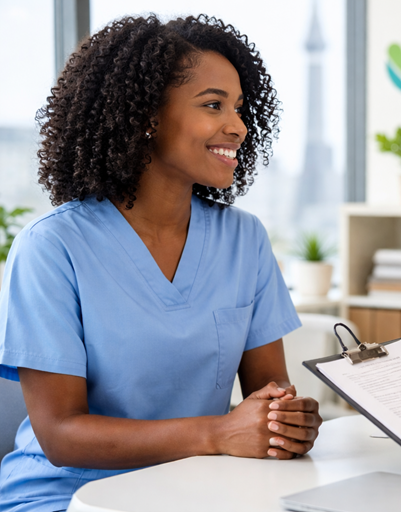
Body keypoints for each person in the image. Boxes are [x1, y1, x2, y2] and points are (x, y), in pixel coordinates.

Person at [0, 14, 322, 511]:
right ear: (145, 115)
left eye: (238, 108)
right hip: (69, 497)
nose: (237, 127)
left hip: (198, 487)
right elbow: (61, 436)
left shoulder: (245, 239)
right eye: (214, 105)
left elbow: (270, 394)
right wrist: (219, 432)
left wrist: (287, 422)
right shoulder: (52, 248)